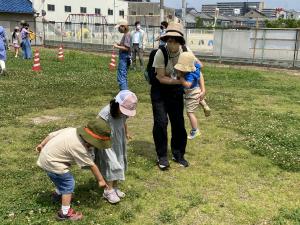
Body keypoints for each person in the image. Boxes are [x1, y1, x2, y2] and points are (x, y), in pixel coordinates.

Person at [36, 119, 111, 221]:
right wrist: (101, 180)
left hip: (46, 157)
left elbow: (51, 135)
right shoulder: (79, 147)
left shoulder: (71, 130)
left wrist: (42, 144)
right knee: (68, 183)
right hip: (54, 163)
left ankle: (58, 194)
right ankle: (64, 213)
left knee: (60, 179)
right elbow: (92, 165)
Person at [151, 21, 189, 170]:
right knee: (161, 122)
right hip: (160, 91)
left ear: (180, 41)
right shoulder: (160, 53)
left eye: (175, 40)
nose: (171, 43)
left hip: (176, 92)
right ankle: (162, 156)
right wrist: (179, 81)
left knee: (178, 123)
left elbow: (196, 68)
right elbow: (160, 78)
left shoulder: (185, 52)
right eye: (169, 40)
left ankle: (178, 154)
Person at [95, 90, 138, 204]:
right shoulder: (106, 113)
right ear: (117, 103)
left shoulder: (123, 113)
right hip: (107, 143)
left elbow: (124, 123)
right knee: (112, 164)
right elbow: (96, 125)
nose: (124, 113)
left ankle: (114, 187)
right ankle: (108, 191)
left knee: (119, 162)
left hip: (119, 141)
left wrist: (126, 133)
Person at [175, 51, 211, 140]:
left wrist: (181, 77)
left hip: (191, 93)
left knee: (190, 112)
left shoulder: (189, 74)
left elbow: (187, 85)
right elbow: (200, 64)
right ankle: (205, 106)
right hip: (197, 90)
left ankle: (195, 130)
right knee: (199, 96)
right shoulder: (196, 68)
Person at [113, 19, 131, 90]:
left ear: (124, 27)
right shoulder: (126, 34)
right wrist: (119, 44)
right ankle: (125, 92)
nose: (118, 29)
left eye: (119, 27)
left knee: (121, 76)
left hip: (124, 57)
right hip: (125, 57)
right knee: (123, 75)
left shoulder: (127, 35)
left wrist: (117, 46)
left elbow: (127, 48)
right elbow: (125, 45)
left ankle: (123, 93)